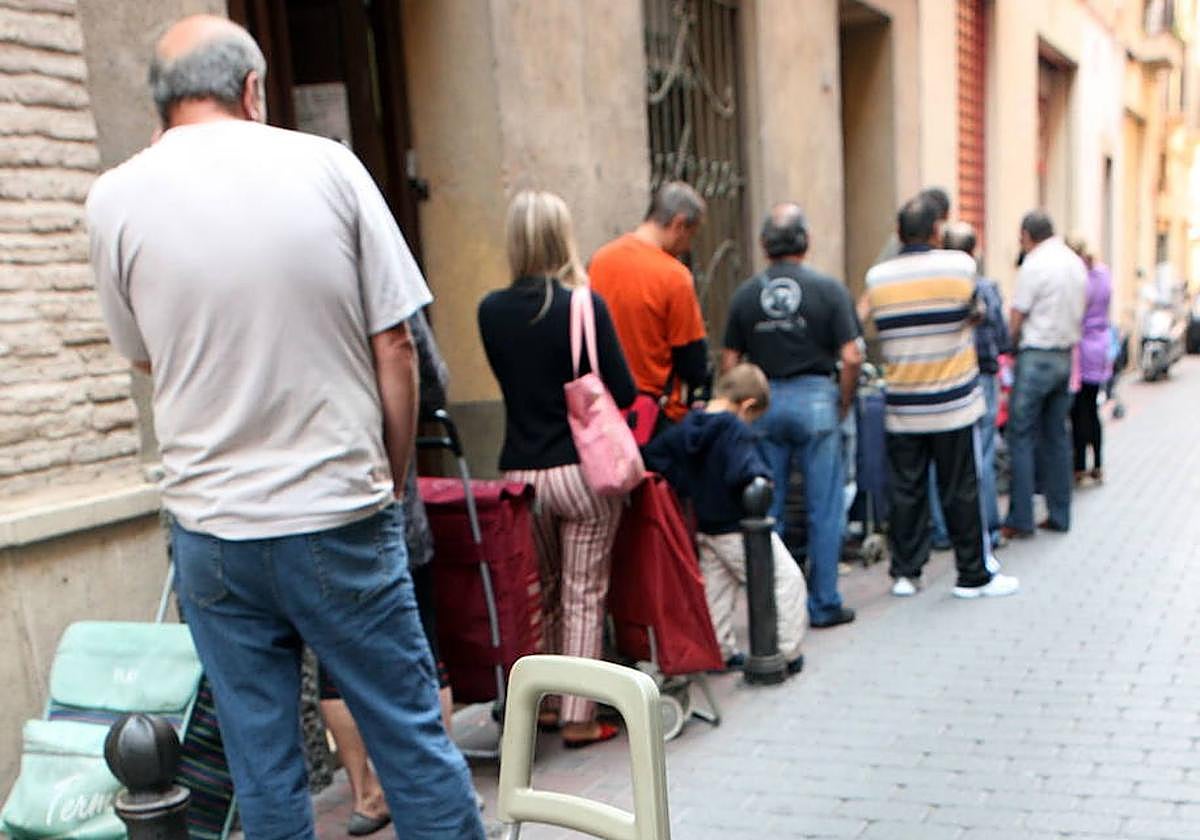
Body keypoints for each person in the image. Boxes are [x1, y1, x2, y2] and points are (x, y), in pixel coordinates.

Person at [86, 15, 484, 839]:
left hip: (211, 528)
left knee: (262, 765)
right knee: (410, 741)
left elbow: (146, 358)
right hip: (337, 508)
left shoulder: (115, 198)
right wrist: (390, 471)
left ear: (159, 104)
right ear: (252, 89)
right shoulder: (328, 168)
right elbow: (397, 344)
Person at [478, 189, 636, 748]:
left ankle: (541, 705)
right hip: (581, 471)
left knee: (539, 591)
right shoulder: (582, 307)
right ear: (561, 236)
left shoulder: (489, 311)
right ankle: (578, 716)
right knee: (583, 592)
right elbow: (621, 388)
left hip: (520, 474)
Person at [317, 309, 464, 836]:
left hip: (303, 508)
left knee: (334, 656)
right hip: (379, 493)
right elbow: (422, 367)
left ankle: (367, 794)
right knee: (420, 646)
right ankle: (431, 794)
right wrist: (397, 469)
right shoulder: (371, 259)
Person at [861, 196, 1019, 599]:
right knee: (960, 488)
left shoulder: (878, 278)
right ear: (937, 231)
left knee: (907, 491)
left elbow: (870, 323)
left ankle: (906, 572)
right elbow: (974, 311)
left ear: (898, 234)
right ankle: (971, 575)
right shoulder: (959, 266)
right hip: (953, 403)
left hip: (902, 403)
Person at [721, 203, 861, 629]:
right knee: (825, 507)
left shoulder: (746, 294)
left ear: (764, 246)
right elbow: (852, 355)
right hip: (817, 397)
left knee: (769, 509)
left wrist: (745, 406)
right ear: (806, 242)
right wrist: (842, 401)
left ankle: (775, 606)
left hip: (764, 401)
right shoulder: (829, 289)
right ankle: (823, 603)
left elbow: (729, 362)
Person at [644, 364, 807, 672]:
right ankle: (787, 652)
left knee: (717, 589)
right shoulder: (734, 429)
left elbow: (653, 454)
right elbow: (742, 471)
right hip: (738, 527)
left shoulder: (688, 424)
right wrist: (764, 479)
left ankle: (718, 649)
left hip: (706, 527)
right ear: (746, 405)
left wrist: (685, 484)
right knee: (786, 581)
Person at [589, 182, 709, 430]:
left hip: (604, 411)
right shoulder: (675, 276)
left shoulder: (599, 261)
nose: (688, 247)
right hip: (655, 415)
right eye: (692, 235)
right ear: (679, 224)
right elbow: (692, 361)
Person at [1002, 211, 1087, 539]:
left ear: (1026, 235)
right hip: (1065, 355)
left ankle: (1021, 517)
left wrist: (1008, 344)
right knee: (1056, 437)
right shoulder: (1074, 262)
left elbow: (1018, 313)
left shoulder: (1034, 264)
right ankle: (1060, 513)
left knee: (1020, 436)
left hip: (1036, 354)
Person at [942, 221, 1010, 549]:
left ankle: (944, 533)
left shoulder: (939, 288)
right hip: (982, 376)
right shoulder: (987, 288)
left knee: (943, 459)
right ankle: (989, 530)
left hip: (950, 379)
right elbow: (1002, 336)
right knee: (981, 454)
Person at [1067, 237, 1112, 484]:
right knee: (1092, 409)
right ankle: (1098, 464)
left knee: (1079, 411)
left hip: (1082, 348)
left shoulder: (1081, 279)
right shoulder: (1104, 275)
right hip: (1100, 346)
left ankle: (1079, 466)